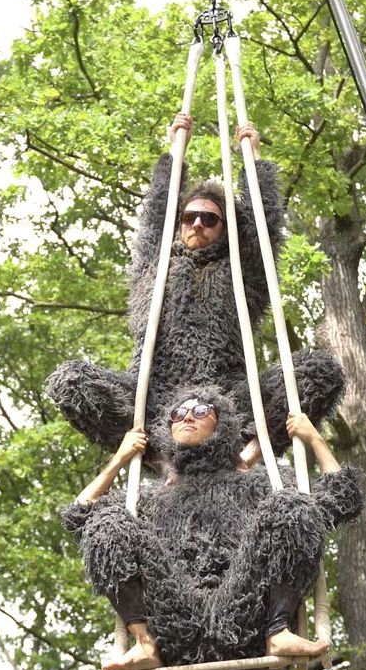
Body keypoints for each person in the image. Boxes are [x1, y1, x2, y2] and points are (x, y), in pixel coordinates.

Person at [45, 118, 344, 470]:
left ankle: (246, 456)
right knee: (70, 382)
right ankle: (161, 461)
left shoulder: (241, 272)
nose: (198, 224)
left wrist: (254, 162)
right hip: (156, 395)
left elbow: (264, 226)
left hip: (229, 396)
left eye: (209, 218)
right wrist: (174, 154)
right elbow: (156, 214)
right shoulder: (154, 267)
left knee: (321, 371)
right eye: (190, 217)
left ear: (225, 229)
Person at [61, 382, 361, 670]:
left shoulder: (256, 482)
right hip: (173, 626)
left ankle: (278, 629)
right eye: (178, 413)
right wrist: (120, 459)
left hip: (246, 618)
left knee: (292, 505)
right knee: (107, 524)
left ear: (223, 426)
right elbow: (79, 516)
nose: (187, 417)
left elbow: (341, 498)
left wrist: (314, 438)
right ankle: (144, 642)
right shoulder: (153, 497)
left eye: (201, 410)